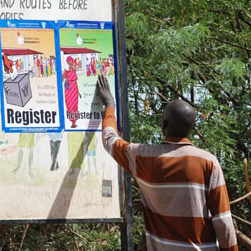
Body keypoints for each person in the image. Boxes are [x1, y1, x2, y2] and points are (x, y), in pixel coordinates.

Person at [97, 75, 238, 251]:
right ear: (193, 128)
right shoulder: (208, 162)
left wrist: (110, 104)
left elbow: (110, 140)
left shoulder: (144, 157)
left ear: (163, 124)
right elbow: (223, 222)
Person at [63, 56, 82, 128]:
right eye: (70, 61)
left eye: (72, 61)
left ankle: (74, 123)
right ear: (68, 62)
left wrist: (78, 92)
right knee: (70, 106)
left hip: (74, 91)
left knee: (75, 106)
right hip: (68, 91)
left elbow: (76, 82)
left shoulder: (74, 71)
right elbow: (62, 79)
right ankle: (72, 123)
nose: (72, 62)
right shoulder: (66, 71)